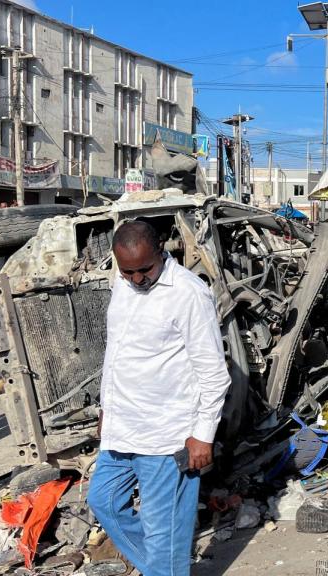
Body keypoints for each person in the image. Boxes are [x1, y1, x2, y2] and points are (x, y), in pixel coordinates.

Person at [86, 221, 231, 576]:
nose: (137, 280)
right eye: (128, 272)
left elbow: (214, 374)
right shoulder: (121, 284)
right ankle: (162, 569)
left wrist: (203, 435)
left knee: (163, 532)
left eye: (144, 270)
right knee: (103, 501)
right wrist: (109, 407)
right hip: (123, 430)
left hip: (168, 437)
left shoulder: (188, 293)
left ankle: (164, 568)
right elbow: (116, 353)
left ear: (162, 250)